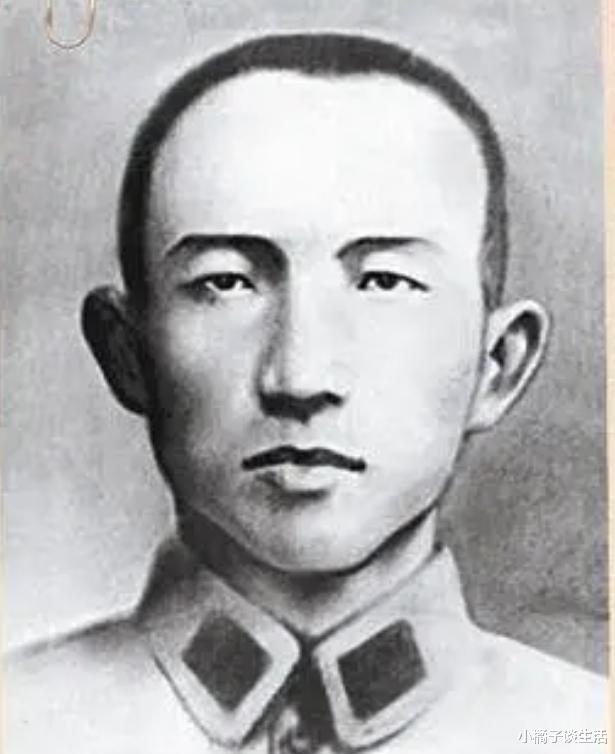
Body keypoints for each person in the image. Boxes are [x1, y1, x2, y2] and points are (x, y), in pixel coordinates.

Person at [6, 33, 607, 754]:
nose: (300, 378)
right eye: (225, 282)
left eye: (384, 282)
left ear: (497, 364)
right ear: (127, 353)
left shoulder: (581, 732)